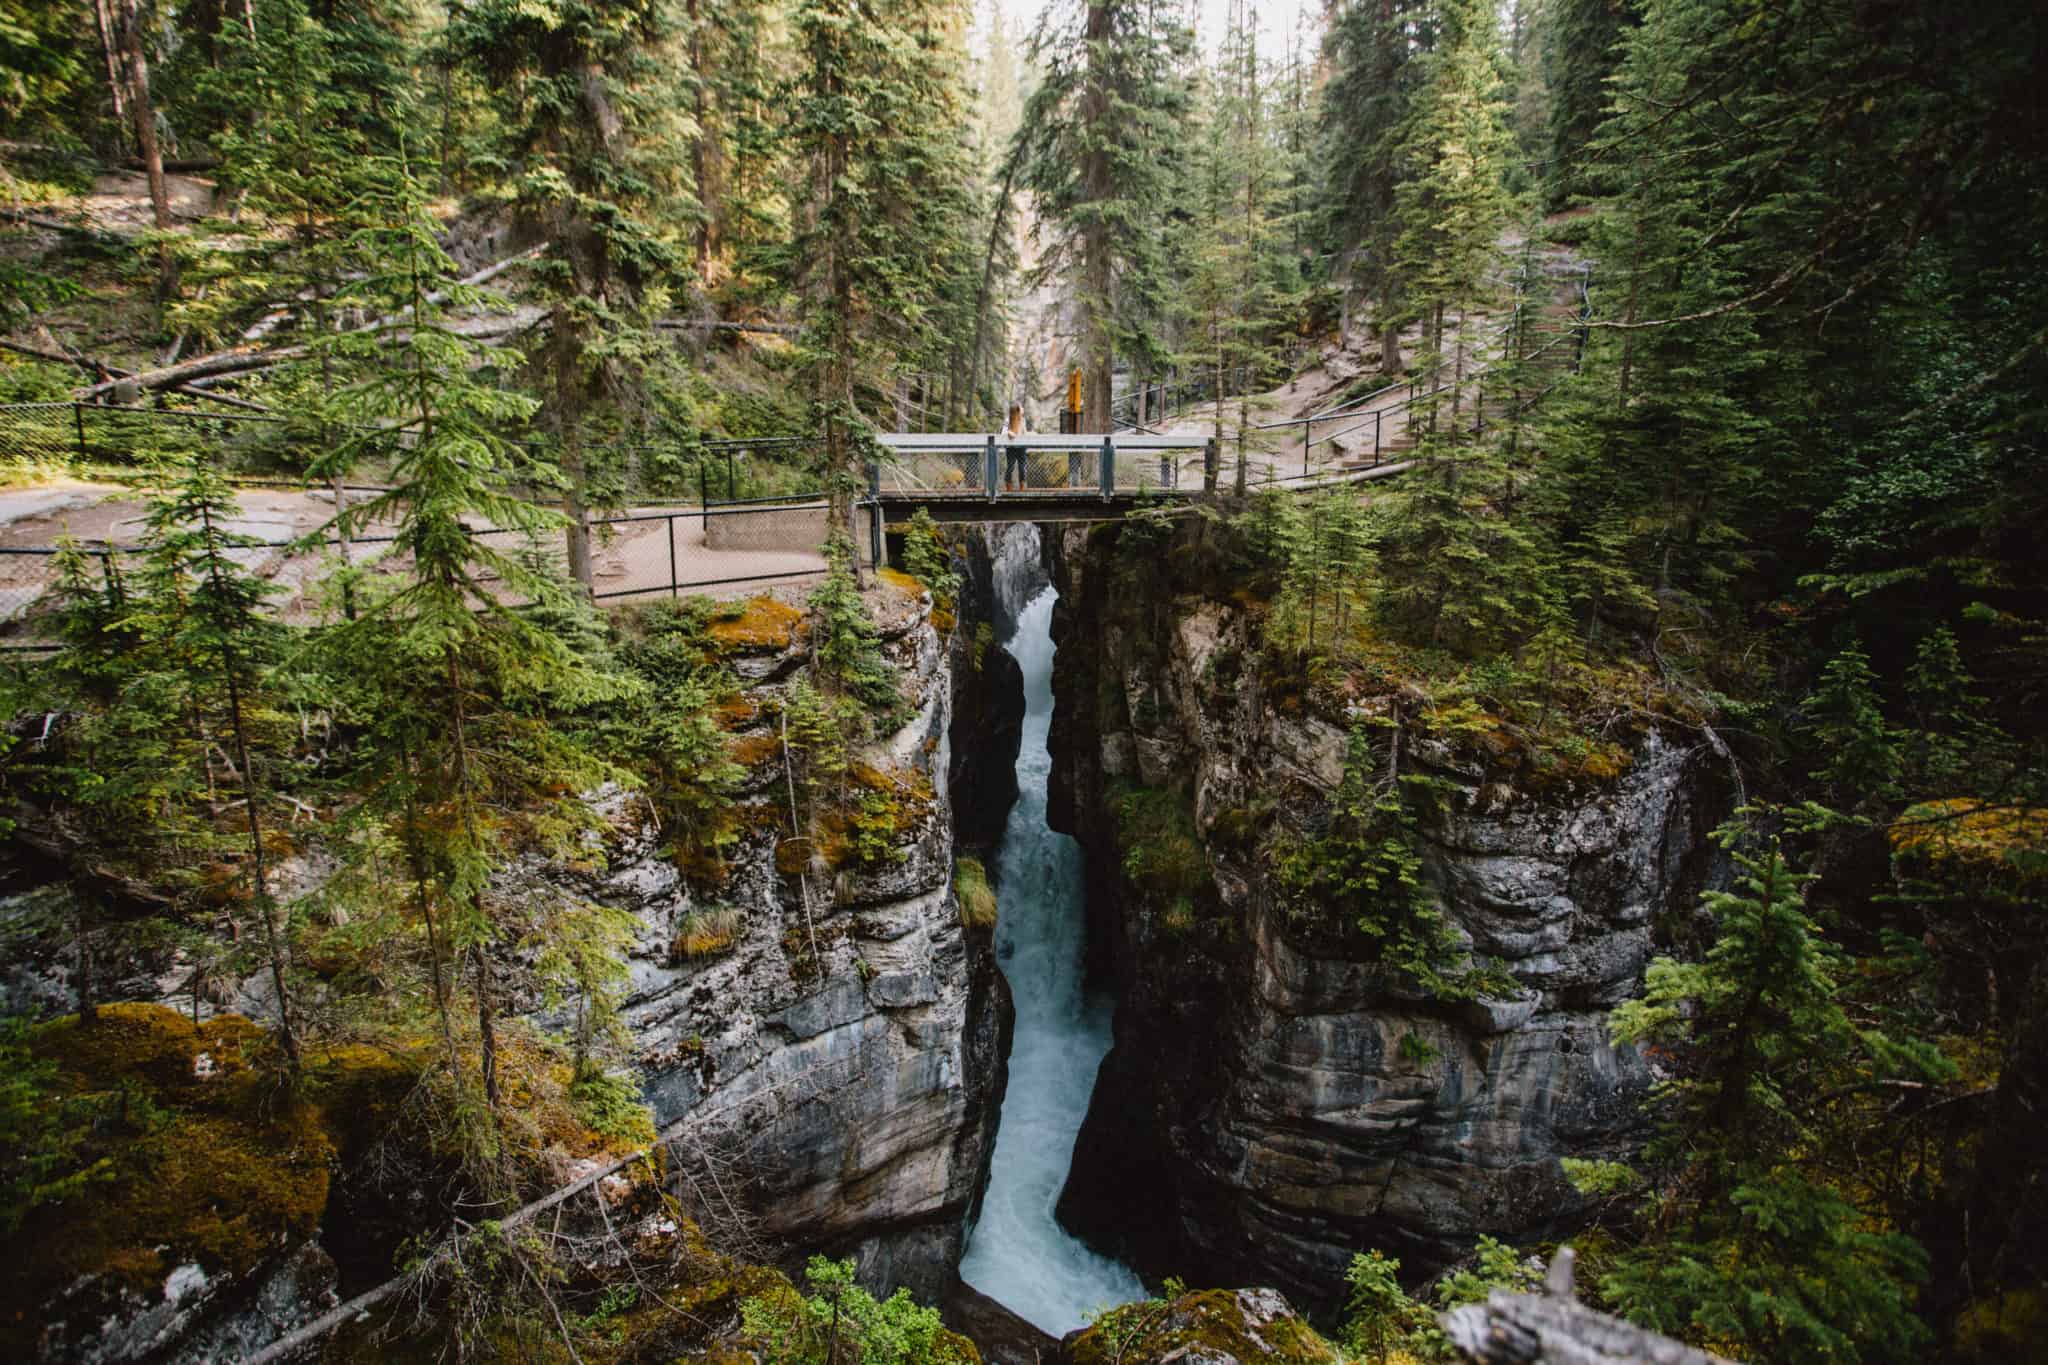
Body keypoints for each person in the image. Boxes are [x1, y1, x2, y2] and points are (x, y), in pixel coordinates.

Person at [1003, 404, 1028, 492]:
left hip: (1022, 447)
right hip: (1011, 448)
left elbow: (1024, 432)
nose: (1023, 409)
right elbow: (1004, 432)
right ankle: (1008, 487)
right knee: (1010, 467)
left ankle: (1022, 488)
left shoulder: (1023, 420)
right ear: (1017, 411)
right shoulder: (1008, 420)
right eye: (1021, 408)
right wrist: (1010, 433)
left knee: (1022, 467)